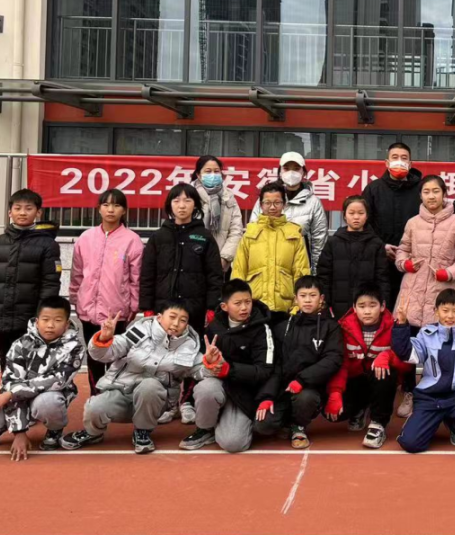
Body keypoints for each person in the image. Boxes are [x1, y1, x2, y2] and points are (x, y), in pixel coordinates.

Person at [61, 302, 205, 454]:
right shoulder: (141, 330)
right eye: (172, 317)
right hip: (122, 391)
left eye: (183, 320)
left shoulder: (189, 345)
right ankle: (93, 433)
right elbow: (105, 354)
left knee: (150, 385)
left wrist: (211, 365)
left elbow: (200, 369)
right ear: (159, 317)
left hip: (154, 401)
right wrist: (104, 340)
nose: (176, 323)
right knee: (95, 407)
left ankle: (142, 431)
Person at [139, 183, 223, 425]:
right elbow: (147, 274)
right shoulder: (159, 237)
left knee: (191, 355)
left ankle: (187, 402)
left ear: (195, 205)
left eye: (187, 200)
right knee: (163, 356)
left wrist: (211, 307)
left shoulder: (204, 237)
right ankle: (168, 402)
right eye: (176, 201)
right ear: (170, 205)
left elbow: (215, 276)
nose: (182, 205)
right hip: (163, 310)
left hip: (194, 308)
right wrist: (147, 307)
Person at [394, 174, 455, 418]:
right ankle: (410, 392)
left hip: (445, 293)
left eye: (436, 191)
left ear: (444, 194)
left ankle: (444, 394)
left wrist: (448, 273)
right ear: (420, 195)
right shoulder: (412, 222)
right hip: (414, 290)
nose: (431, 196)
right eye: (426, 192)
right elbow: (402, 250)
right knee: (409, 343)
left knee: (445, 346)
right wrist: (405, 264)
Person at [0, 296, 82, 460]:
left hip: (48, 396)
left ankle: (54, 430)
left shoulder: (74, 348)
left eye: (57, 320)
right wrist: (19, 432)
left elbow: (57, 380)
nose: (50, 325)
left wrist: (12, 393)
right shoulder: (21, 344)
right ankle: (0, 428)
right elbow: (10, 383)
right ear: (37, 322)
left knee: (48, 403)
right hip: (18, 398)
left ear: (66, 324)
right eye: (45, 319)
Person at [179, 279, 276, 452]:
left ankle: (234, 421)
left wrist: (229, 369)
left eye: (248, 302)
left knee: (233, 444)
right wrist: (209, 362)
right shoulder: (214, 326)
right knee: (205, 388)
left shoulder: (262, 329)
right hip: (220, 385)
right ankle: (205, 428)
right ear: (224, 306)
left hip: (244, 391)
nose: (244, 308)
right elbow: (199, 366)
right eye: (237, 303)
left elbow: (265, 371)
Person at [0, 188, 62, 372]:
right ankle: (7, 388)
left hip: (30, 319)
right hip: (0, 316)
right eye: (17, 208)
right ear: (9, 212)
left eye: (28, 208)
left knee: (31, 363)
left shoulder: (48, 244)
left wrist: (42, 317)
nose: (22, 212)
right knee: (5, 360)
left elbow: (50, 284)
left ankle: (26, 391)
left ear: (38, 212)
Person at [69, 188, 144, 395]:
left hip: (117, 312)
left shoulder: (132, 240)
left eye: (116, 205)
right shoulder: (86, 238)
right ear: (99, 209)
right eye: (106, 205)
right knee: (93, 356)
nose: (111, 210)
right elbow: (76, 273)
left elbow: (136, 278)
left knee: (115, 357)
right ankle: (95, 396)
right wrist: (76, 299)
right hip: (88, 311)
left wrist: (133, 307)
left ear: (124, 211)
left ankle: (113, 398)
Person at [393, 289, 455, 453]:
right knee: (410, 444)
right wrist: (401, 324)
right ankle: (427, 421)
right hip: (429, 397)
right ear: (436, 311)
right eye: (445, 310)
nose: (450, 316)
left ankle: (453, 425)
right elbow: (407, 354)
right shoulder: (426, 333)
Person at [254, 276, 343, 449]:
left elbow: (333, 359)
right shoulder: (283, 327)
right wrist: (267, 396)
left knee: (306, 398)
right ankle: (285, 421)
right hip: (283, 388)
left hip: (309, 387)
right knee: (262, 426)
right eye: (303, 295)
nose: (308, 300)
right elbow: (274, 365)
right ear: (295, 299)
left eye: (312, 295)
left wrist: (302, 380)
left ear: (321, 298)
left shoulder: (331, 327)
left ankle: (298, 426)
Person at [324, 283, 414, 449]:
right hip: (355, 381)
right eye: (362, 306)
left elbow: (407, 365)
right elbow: (340, 363)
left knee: (386, 372)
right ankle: (359, 408)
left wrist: (387, 356)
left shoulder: (393, 326)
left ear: (382, 306)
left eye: (372, 305)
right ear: (354, 307)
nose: (367, 311)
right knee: (333, 414)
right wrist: (335, 393)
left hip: (379, 379)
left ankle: (378, 423)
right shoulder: (342, 327)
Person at [232, 182, 311, 324]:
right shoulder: (250, 233)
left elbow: (301, 273)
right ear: (261, 205)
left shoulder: (294, 233)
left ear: (284, 204)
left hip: (285, 307)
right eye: (267, 203)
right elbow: (239, 271)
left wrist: (297, 306)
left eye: (277, 202)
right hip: (254, 306)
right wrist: (238, 304)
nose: (272, 207)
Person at [362, 142, 424, 309]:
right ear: (386, 162)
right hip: (381, 261)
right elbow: (364, 224)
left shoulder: (422, 189)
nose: (399, 161)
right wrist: (380, 246)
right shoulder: (373, 189)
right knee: (383, 306)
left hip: (414, 261)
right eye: (395, 157)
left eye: (404, 158)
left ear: (410, 163)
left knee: (411, 309)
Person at [316, 195, 390, 320]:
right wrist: (325, 303)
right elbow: (324, 275)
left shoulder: (376, 244)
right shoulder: (333, 242)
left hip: (367, 307)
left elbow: (382, 278)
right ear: (344, 215)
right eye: (351, 213)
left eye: (361, 213)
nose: (356, 217)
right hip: (337, 306)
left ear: (367, 215)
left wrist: (383, 302)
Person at [251, 152, 328, 271]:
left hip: (300, 266)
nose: (291, 173)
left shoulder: (313, 202)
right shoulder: (266, 197)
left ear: (303, 172)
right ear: (280, 172)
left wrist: (315, 272)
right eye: (286, 169)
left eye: (296, 169)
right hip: (266, 264)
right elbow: (253, 230)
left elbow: (319, 240)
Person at [191, 155, 245, 273]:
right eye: (208, 171)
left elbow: (236, 231)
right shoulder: (189, 196)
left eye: (216, 171)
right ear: (198, 175)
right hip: (192, 263)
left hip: (220, 265)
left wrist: (224, 258)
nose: (213, 175)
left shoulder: (228, 197)